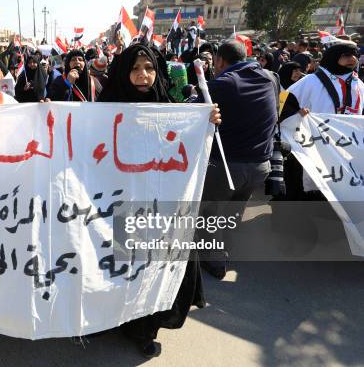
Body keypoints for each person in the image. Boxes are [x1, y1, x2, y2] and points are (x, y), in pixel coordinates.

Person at [97, 44, 219, 358]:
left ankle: (144, 329)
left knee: (153, 270)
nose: (143, 75)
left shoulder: (169, 107)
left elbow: (185, 146)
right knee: (121, 269)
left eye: (149, 68)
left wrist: (207, 121)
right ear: (123, 72)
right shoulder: (103, 111)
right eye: (135, 69)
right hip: (117, 205)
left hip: (158, 207)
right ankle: (112, 319)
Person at [196, 40, 277, 280]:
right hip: (261, 165)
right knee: (234, 210)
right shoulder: (270, 78)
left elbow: (195, 111)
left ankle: (215, 261)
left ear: (220, 61)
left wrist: (193, 95)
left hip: (227, 167)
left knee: (210, 213)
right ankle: (228, 247)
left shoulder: (224, 83)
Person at [279, 39, 363, 200]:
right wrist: (297, 115)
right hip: (313, 148)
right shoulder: (311, 81)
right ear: (333, 57)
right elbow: (283, 103)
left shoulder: (358, 85)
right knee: (307, 193)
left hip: (345, 150)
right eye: (346, 55)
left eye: (355, 55)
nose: (352, 59)